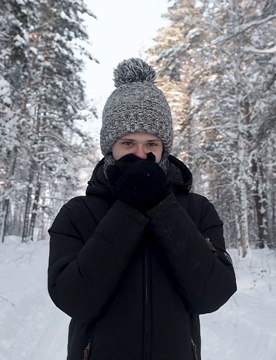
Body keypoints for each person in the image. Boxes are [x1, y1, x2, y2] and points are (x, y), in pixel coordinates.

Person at [47, 58, 237, 360]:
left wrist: (162, 206)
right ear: (111, 148)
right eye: (128, 143)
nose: (140, 154)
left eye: (151, 143)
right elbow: (75, 300)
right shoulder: (78, 214)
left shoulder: (197, 211)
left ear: (164, 149)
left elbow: (212, 294)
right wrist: (128, 209)